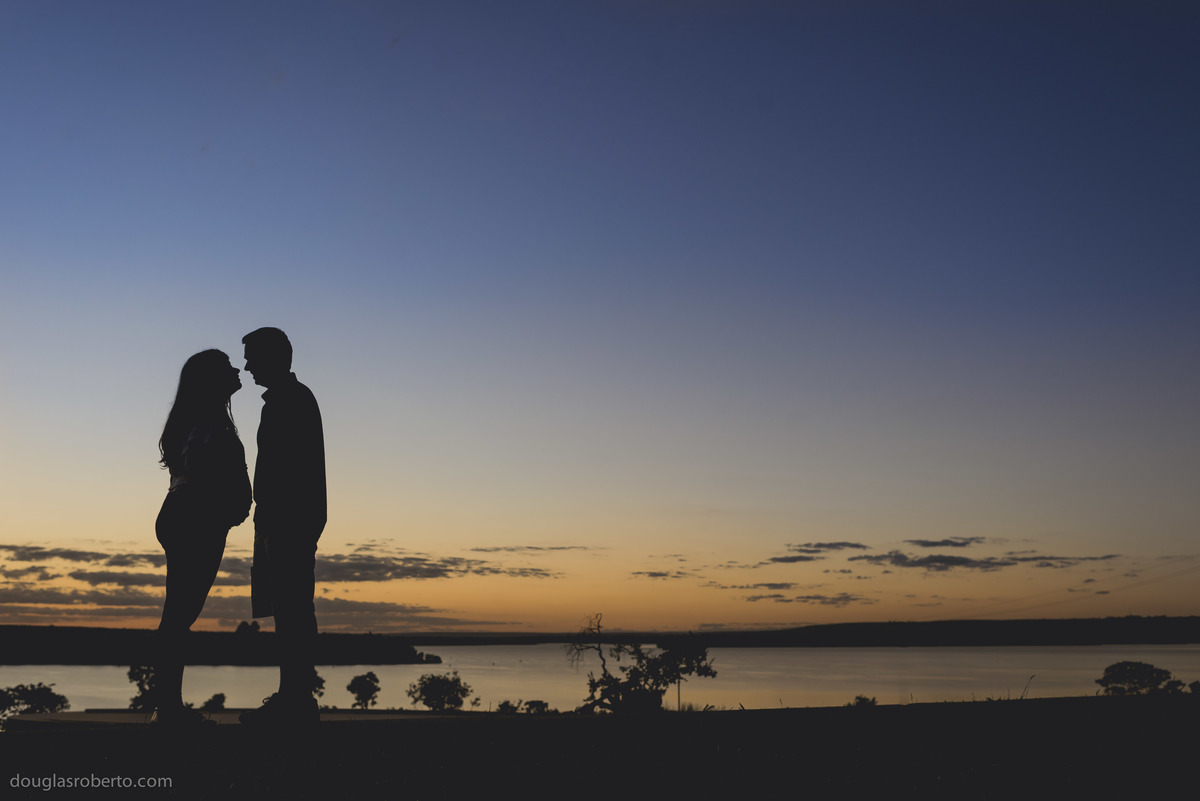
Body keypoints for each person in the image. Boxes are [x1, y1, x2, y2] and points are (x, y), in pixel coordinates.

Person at [154, 349, 251, 725]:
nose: (236, 369)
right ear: (211, 378)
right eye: (227, 366)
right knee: (179, 616)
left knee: (179, 614)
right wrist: (227, 508)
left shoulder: (202, 418)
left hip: (185, 516)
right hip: (195, 520)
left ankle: (169, 707)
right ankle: (169, 710)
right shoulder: (208, 419)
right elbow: (200, 467)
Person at [238, 327, 326, 726]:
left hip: (288, 521)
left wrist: (277, 524)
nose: (247, 366)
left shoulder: (291, 400)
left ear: (275, 357)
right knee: (288, 611)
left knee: (292, 612)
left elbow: (292, 471)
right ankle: (293, 697)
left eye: (252, 357)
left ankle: (296, 701)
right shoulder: (282, 401)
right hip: (281, 520)